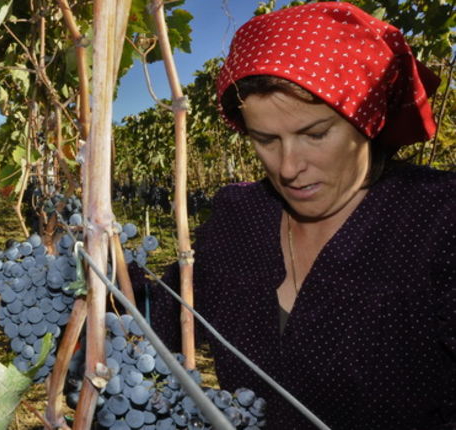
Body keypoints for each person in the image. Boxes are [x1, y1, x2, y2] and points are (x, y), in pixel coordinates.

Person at [140, 2, 456, 429]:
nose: (288, 167)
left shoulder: (438, 220)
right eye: (265, 139)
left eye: (315, 134)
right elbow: (161, 316)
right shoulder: (238, 217)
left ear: (369, 118)